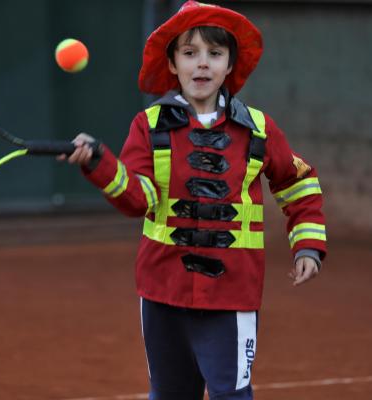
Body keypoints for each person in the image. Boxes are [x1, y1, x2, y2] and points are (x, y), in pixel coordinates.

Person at [58, 1, 327, 399]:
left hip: (232, 294)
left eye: (214, 54)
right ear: (172, 64)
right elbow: (138, 198)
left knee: (231, 394)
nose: (202, 64)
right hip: (162, 291)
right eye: (190, 53)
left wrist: (308, 246)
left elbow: (296, 182)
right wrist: (99, 163)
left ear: (230, 64)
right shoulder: (148, 126)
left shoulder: (257, 129)